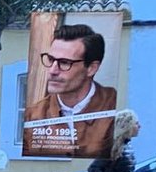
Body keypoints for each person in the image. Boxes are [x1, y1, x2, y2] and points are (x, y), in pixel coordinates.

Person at [25, 23, 119, 158]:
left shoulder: (115, 105)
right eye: (50, 59)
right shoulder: (33, 115)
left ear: (91, 68)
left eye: (64, 62)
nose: (52, 71)